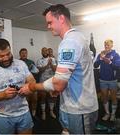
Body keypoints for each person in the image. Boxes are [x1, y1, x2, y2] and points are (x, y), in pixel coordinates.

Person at [19, 4, 99, 134]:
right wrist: (57, 88)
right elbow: (70, 76)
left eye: (50, 22)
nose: (48, 26)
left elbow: (59, 83)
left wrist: (32, 87)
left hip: (79, 109)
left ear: (61, 18)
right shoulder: (78, 37)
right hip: (70, 105)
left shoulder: (70, 41)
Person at [0, 38, 35, 134]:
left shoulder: (21, 64)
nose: (6, 58)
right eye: (1, 56)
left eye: (8, 54)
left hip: (24, 112)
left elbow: (32, 80)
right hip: (2, 116)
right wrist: (3, 95)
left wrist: (27, 88)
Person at [94, 39, 120, 121]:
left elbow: (117, 67)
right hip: (103, 80)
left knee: (113, 98)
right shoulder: (101, 54)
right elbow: (95, 65)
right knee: (104, 98)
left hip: (112, 80)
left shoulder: (115, 55)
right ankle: (107, 113)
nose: (106, 46)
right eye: (105, 45)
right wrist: (101, 59)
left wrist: (109, 62)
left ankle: (113, 114)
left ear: (111, 45)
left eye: (108, 45)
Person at [36, 47, 57, 120]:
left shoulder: (53, 59)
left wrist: (51, 64)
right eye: (43, 51)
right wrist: (47, 64)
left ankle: (51, 111)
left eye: (46, 50)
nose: (44, 52)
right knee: (43, 96)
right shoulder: (39, 60)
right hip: (43, 82)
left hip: (52, 81)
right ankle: (43, 112)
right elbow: (40, 70)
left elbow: (55, 70)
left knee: (52, 96)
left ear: (48, 51)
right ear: (41, 52)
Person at [19, 48, 38, 117]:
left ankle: (34, 113)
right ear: (20, 54)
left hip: (32, 83)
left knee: (35, 99)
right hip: (23, 85)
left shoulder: (31, 62)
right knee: (26, 100)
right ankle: (27, 113)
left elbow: (36, 72)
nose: (24, 54)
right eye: (22, 53)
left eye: (25, 53)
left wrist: (32, 70)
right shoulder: (17, 62)